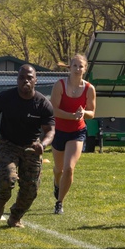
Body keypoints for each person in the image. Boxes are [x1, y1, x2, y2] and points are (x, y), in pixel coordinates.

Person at [0, 65, 55, 228]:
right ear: (17, 79)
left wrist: (43, 144)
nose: (25, 81)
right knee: (8, 177)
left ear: (35, 80)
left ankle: (15, 217)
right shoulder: (6, 97)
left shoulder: (42, 104)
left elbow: (50, 131)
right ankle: (0, 202)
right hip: (8, 144)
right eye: (21, 78)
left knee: (31, 188)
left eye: (29, 77)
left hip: (31, 148)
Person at [50, 54, 96, 215]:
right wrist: (70, 116)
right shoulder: (60, 85)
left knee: (69, 168)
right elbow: (53, 110)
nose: (77, 69)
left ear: (85, 69)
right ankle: (57, 184)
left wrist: (84, 113)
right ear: (70, 67)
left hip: (77, 132)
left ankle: (59, 202)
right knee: (59, 169)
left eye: (80, 66)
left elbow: (92, 113)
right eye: (75, 66)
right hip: (59, 131)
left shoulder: (89, 88)